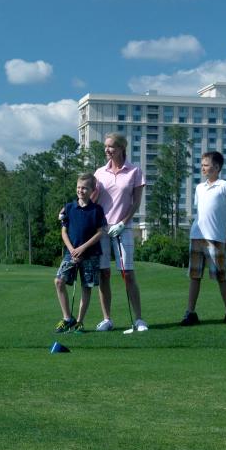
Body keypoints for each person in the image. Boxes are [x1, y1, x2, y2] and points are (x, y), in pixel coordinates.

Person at [180, 151, 226, 326]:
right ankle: (190, 313)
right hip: (197, 236)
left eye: (206, 165)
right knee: (195, 276)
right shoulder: (199, 188)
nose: (203, 168)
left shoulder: (225, 186)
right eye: (202, 165)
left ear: (216, 167)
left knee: (221, 277)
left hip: (216, 238)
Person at [93, 132, 148, 332]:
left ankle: (139, 319)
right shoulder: (99, 172)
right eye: (106, 146)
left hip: (123, 229)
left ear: (121, 148)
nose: (107, 150)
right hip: (102, 229)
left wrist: (123, 223)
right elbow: (92, 200)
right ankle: (107, 319)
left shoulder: (134, 172)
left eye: (111, 147)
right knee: (104, 274)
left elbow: (136, 203)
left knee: (128, 273)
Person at [54, 173, 107, 333]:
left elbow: (100, 233)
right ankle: (67, 318)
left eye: (84, 188)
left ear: (92, 190)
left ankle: (79, 322)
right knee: (58, 281)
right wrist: (72, 249)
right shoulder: (69, 208)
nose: (80, 191)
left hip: (90, 254)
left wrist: (82, 248)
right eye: (78, 187)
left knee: (86, 287)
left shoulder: (97, 210)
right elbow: (64, 231)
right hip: (71, 253)